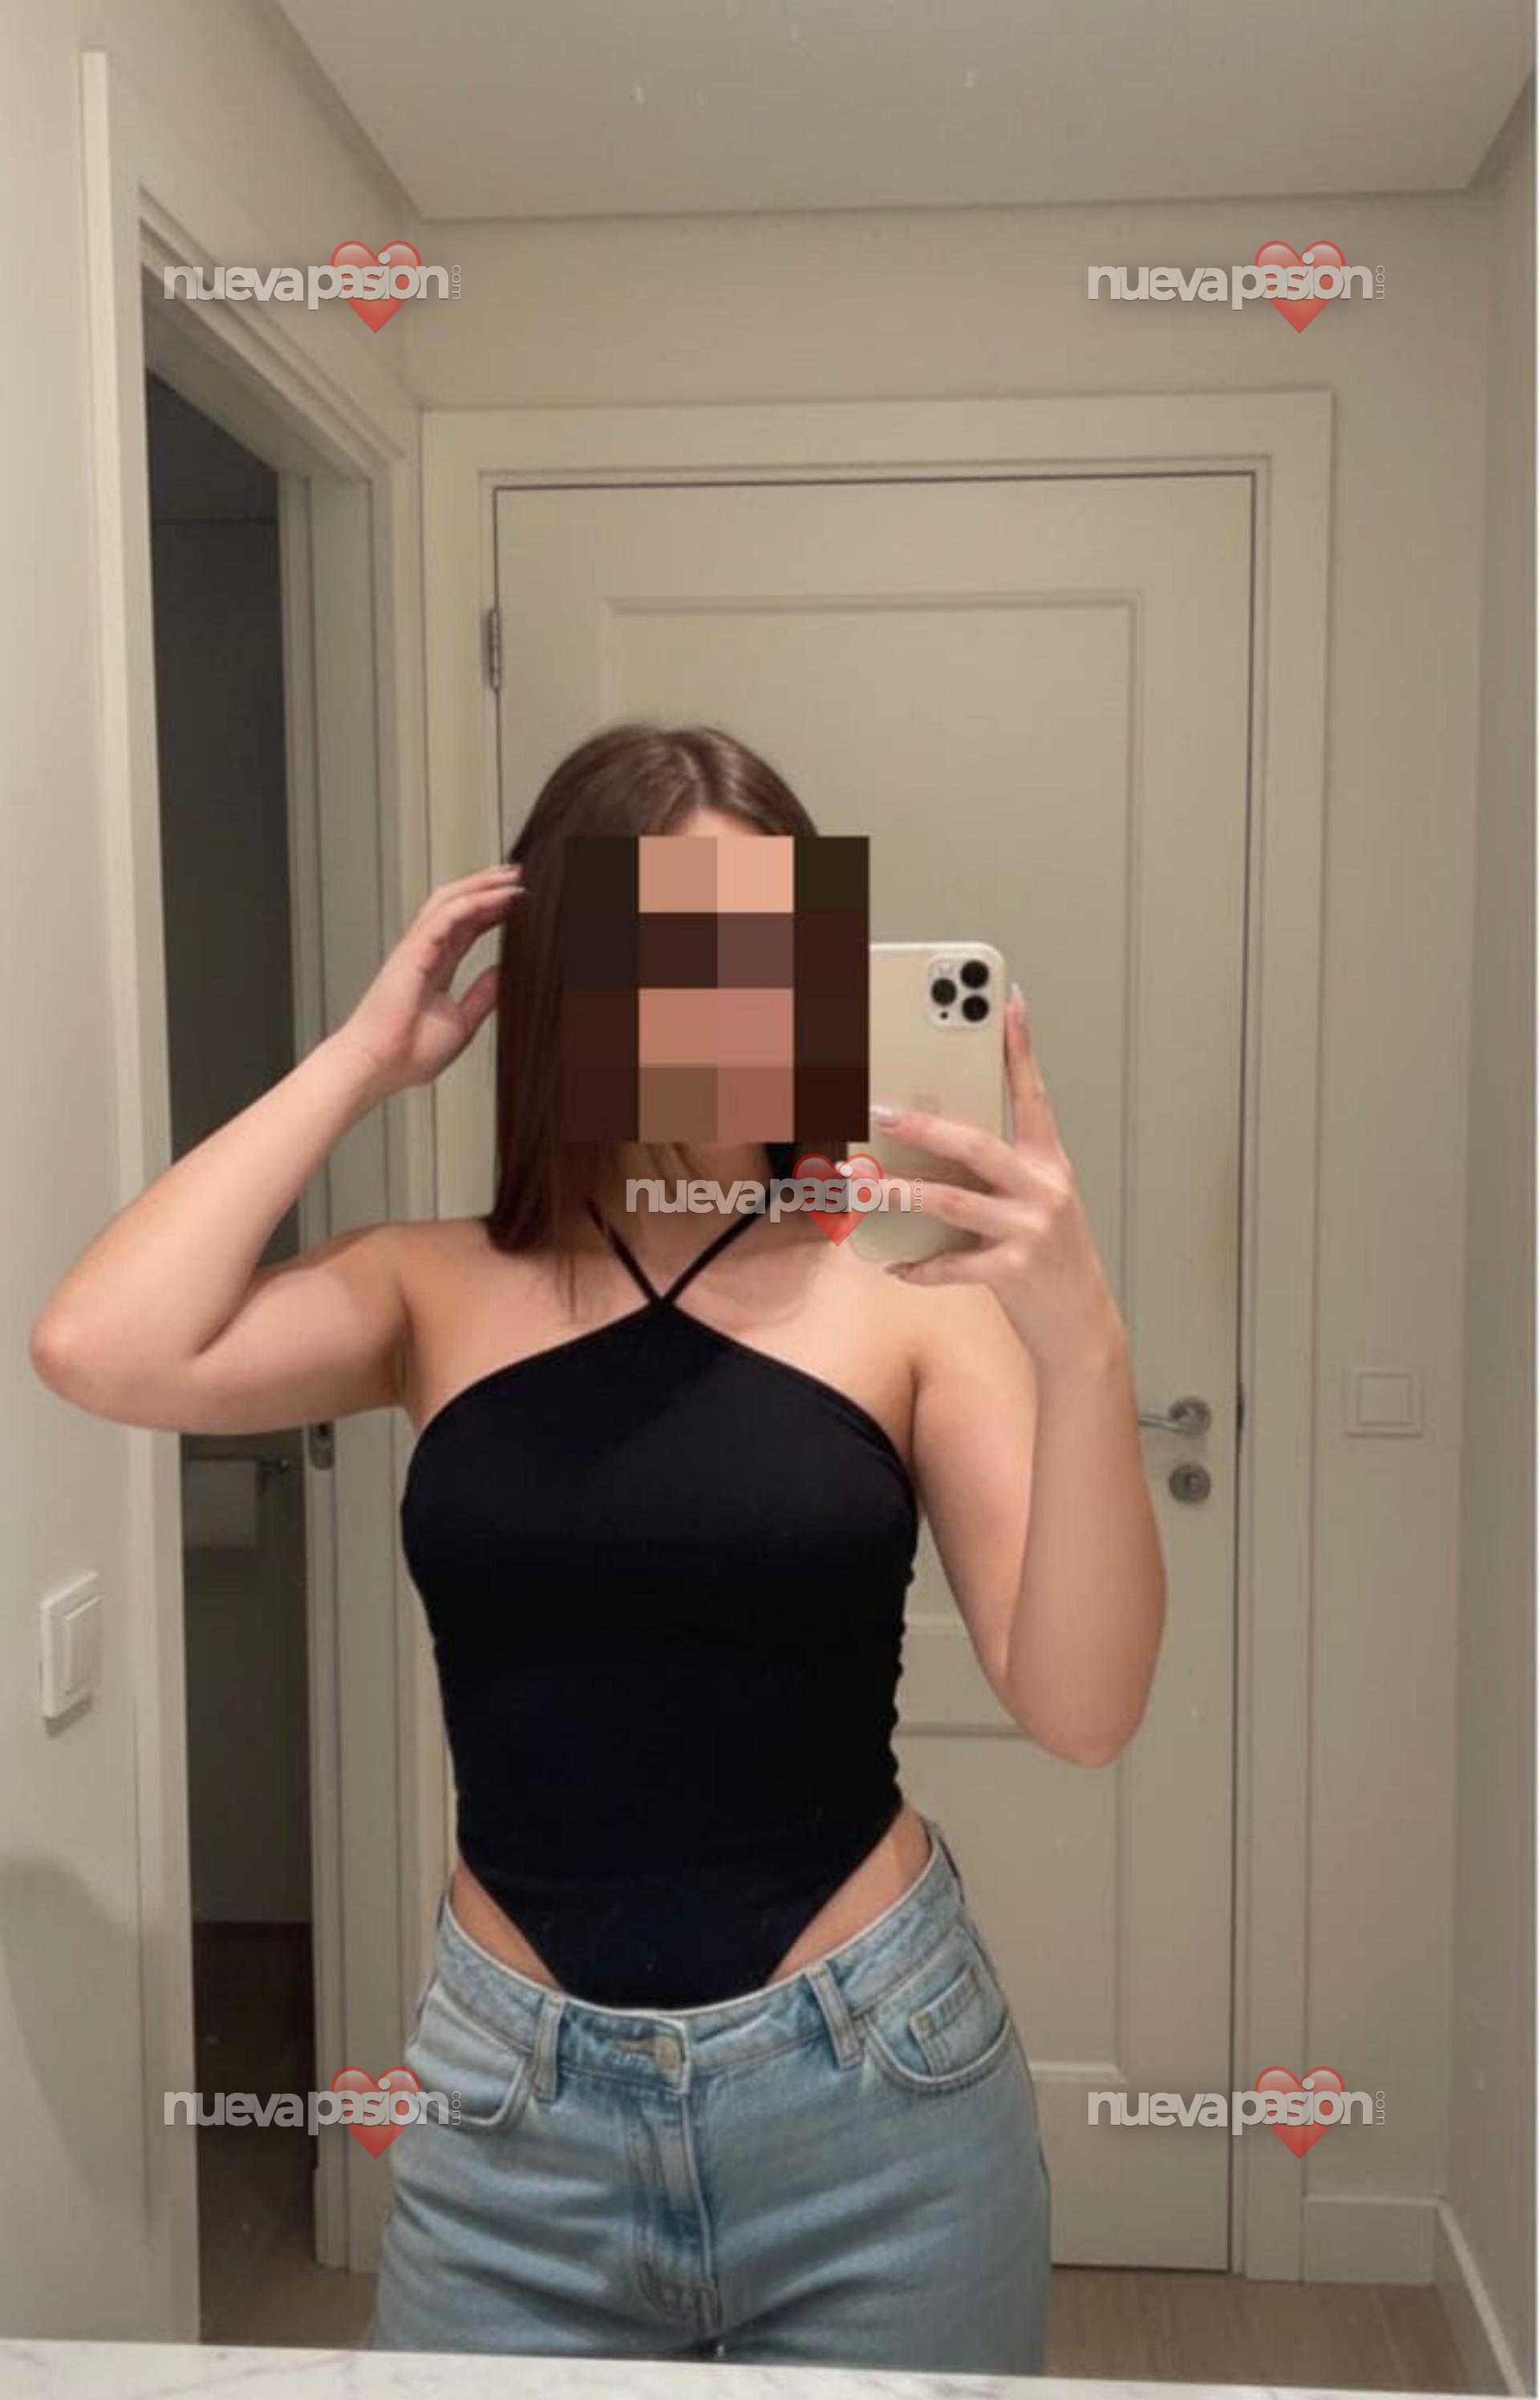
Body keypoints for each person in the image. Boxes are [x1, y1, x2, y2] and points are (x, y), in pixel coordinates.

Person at [29, 720, 1165, 2370]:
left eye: (770, 950)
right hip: (511, 2122)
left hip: (876, 2104)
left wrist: (1087, 1344)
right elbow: (98, 1346)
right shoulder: (431, 1289)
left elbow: (1086, 1708)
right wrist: (361, 1058)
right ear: (572, 983)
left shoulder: (907, 1298)